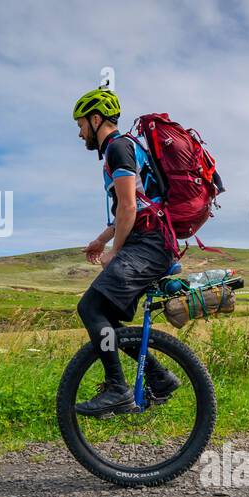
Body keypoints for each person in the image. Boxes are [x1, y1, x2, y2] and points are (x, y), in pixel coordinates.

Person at [72, 87, 182, 416]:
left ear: (96, 119)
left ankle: (119, 389)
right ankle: (159, 378)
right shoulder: (125, 149)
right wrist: (102, 240)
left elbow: (130, 208)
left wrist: (114, 253)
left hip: (149, 245)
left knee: (90, 308)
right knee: (105, 317)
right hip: (151, 242)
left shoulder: (118, 148)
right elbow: (131, 205)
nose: (79, 133)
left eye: (80, 125)